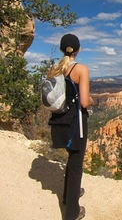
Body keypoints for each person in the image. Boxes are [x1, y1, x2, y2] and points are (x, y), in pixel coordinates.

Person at [48, 33, 94, 220]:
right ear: (78, 49)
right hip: (77, 124)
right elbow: (83, 101)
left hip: (60, 121)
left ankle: (69, 196)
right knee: (76, 166)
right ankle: (72, 213)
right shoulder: (81, 69)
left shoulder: (54, 69)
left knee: (71, 160)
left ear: (61, 49)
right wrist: (91, 100)